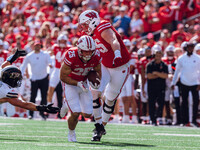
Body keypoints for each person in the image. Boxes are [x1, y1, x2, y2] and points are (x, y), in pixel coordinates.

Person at [78, 10, 130, 141]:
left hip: (120, 66)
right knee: (95, 93)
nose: (83, 28)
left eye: (85, 25)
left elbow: (113, 40)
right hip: (105, 65)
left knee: (110, 99)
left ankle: (102, 125)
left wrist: (117, 54)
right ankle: (98, 127)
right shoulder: (90, 35)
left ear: (92, 21)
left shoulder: (102, 26)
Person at [59, 35, 101, 142]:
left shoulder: (96, 55)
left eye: (90, 51)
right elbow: (62, 76)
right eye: (85, 51)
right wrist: (77, 83)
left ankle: (67, 103)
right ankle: (71, 132)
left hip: (84, 83)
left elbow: (98, 71)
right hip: (70, 83)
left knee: (88, 114)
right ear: (79, 49)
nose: (88, 54)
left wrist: (97, 81)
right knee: (76, 112)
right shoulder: (71, 54)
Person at [0, 49, 59, 115]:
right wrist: (42, 108)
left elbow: (5, 65)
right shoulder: (7, 91)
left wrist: (14, 56)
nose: (16, 81)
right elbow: (25, 105)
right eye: (15, 79)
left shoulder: (2, 74)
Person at [21, 40, 53, 120]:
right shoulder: (29, 55)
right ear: (33, 46)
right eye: (36, 45)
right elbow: (23, 66)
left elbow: (50, 63)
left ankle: (42, 113)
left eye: (39, 45)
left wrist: (49, 69)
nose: (37, 47)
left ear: (40, 46)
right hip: (34, 78)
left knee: (43, 97)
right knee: (33, 97)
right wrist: (21, 74)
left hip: (44, 78)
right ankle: (31, 114)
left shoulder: (45, 54)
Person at [171, 42, 200, 127]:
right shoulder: (181, 58)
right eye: (189, 47)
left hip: (195, 82)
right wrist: (173, 82)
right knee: (184, 102)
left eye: (191, 47)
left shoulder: (198, 58)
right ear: (186, 48)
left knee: (195, 102)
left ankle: (193, 120)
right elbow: (177, 71)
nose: (190, 49)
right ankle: (184, 121)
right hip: (184, 82)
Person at [47, 34, 71, 118]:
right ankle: (48, 105)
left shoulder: (69, 48)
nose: (63, 43)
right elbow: (49, 54)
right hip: (57, 69)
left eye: (64, 41)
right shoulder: (55, 47)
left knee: (67, 91)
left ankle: (66, 109)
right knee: (51, 87)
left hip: (65, 70)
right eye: (61, 41)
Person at [146, 45, 168, 126]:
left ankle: (158, 118)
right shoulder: (150, 65)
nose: (158, 56)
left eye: (159, 55)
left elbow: (166, 76)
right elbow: (149, 76)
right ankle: (153, 119)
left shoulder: (164, 65)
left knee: (161, 104)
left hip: (161, 87)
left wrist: (156, 73)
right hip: (152, 87)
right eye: (157, 55)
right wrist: (160, 74)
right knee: (151, 103)